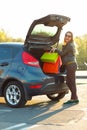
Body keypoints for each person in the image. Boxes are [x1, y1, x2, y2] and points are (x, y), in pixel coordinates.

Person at [53, 31, 79, 104]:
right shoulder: (67, 45)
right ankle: (74, 97)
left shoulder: (70, 45)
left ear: (71, 38)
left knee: (71, 82)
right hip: (70, 65)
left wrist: (55, 50)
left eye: (69, 36)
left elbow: (62, 54)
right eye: (66, 35)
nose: (67, 37)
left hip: (71, 65)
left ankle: (74, 98)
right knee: (69, 82)